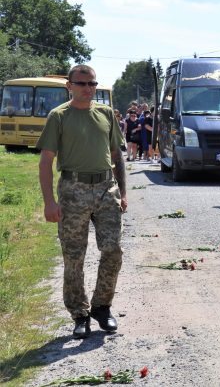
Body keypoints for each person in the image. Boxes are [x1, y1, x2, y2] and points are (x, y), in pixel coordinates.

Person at [37, 64, 127, 339]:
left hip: (105, 188)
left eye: (92, 84)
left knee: (113, 250)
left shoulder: (106, 114)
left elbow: (116, 155)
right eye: (82, 83)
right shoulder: (59, 116)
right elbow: (46, 161)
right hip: (73, 190)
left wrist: (123, 193)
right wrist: (49, 202)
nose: (88, 89)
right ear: (70, 85)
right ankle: (79, 313)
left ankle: (102, 307)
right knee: (74, 257)